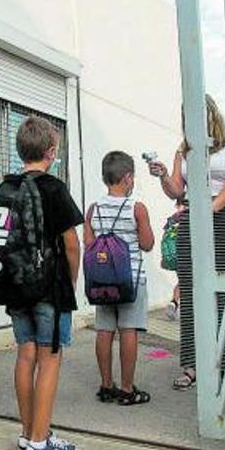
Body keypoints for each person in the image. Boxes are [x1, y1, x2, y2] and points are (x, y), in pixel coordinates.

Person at [148, 94, 225, 391]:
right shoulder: (184, 150)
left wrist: (211, 208)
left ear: (211, 115)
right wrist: (163, 176)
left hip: (224, 217)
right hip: (193, 217)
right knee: (192, 292)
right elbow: (175, 191)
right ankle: (192, 366)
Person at [8, 116, 83, 450]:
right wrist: (71, 281)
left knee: (25, 355)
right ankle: (41, 443)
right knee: (50, 359)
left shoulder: (7, 187)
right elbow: (72, 243)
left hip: (17, 287)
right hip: (49, 289)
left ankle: (28, 434)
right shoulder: (54, 188)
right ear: (51, 151)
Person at [84, 151, 154, 406]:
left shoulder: (93, 209)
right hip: (131, 281)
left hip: (102, 281)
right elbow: (147, 244)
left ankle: (106, 385)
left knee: (104, 331)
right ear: (128, 178)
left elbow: (89, 245)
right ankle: (126, 389)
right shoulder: (137, 208)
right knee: (128, 331)